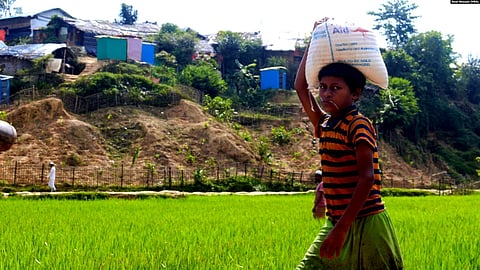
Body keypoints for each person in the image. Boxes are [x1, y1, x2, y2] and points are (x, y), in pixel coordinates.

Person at [294, 20, 403, 270]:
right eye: (322, 87)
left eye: (335, 88)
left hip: (366, 221)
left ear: (355, 93)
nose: (326, 94)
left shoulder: (358, 125)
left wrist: (343, 228)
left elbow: (367, 179)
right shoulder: (324, 124)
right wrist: (315, 39)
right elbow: (300, 87)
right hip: (336, 220)